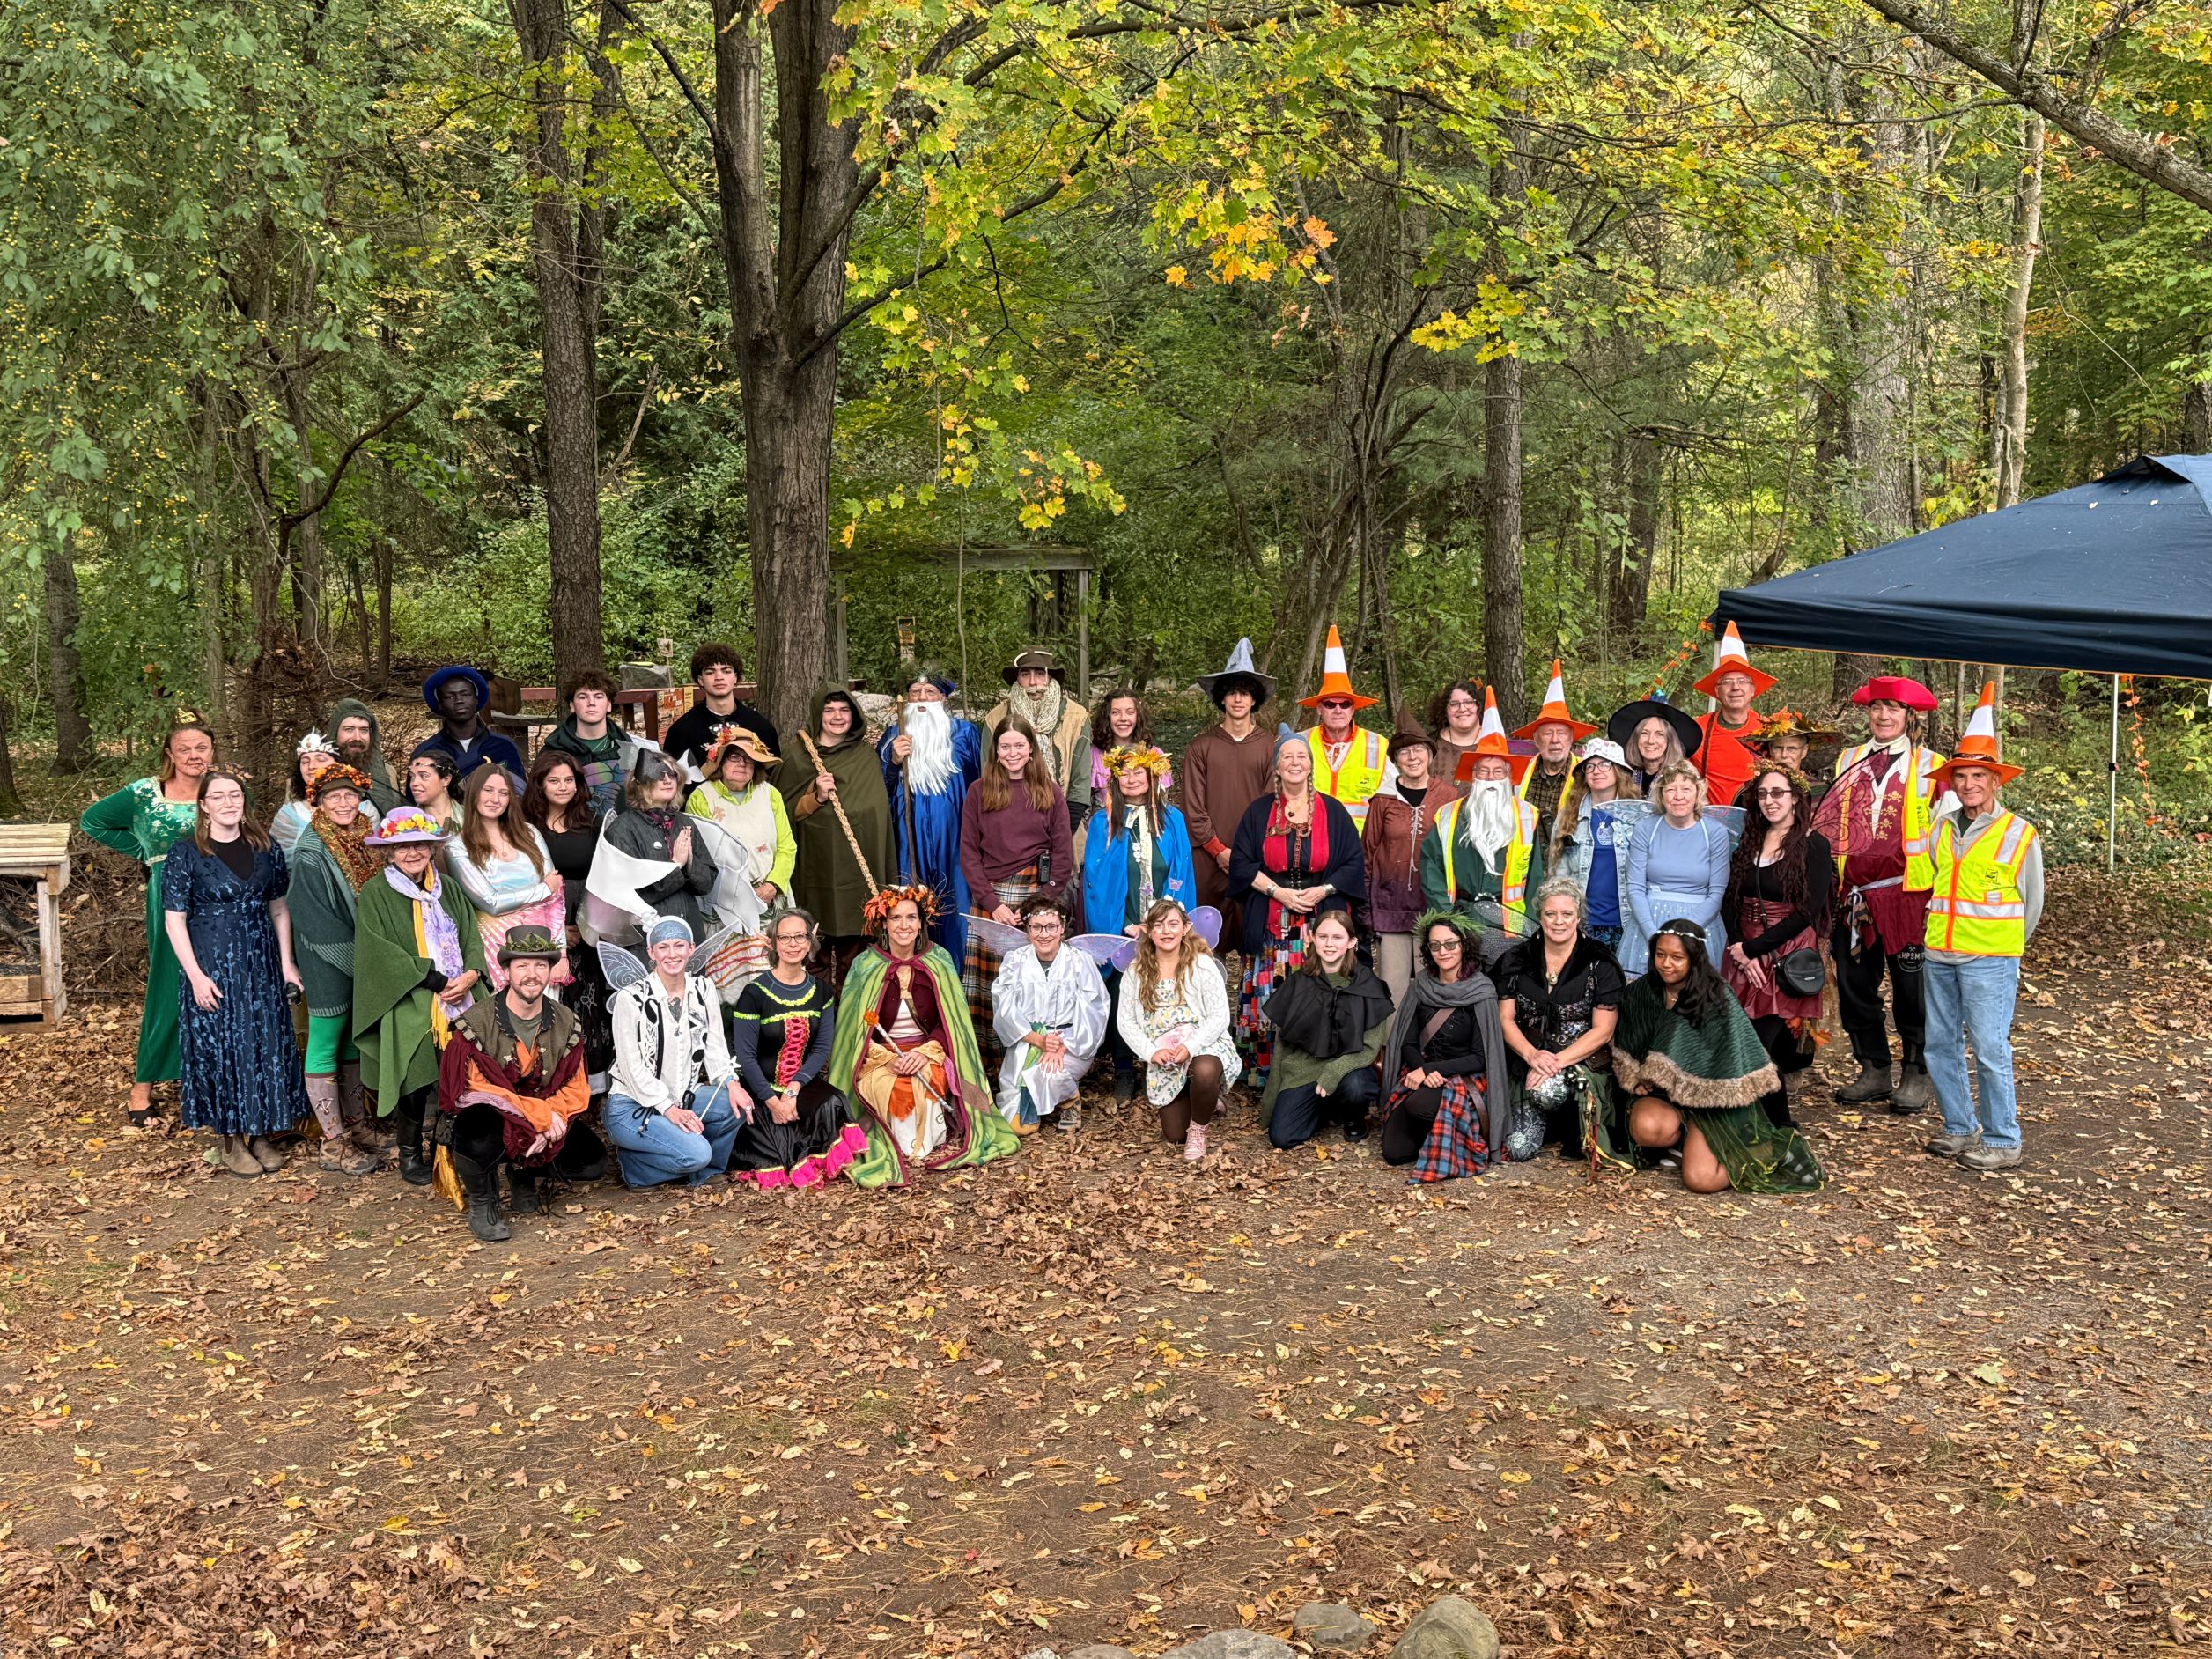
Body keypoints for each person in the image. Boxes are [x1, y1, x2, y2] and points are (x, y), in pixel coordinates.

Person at [160, 769, 313, 1178]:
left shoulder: (265, 847)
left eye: (235, 795)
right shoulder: (185, 853)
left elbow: (279, 908)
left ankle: (260, 1132)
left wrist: (287, 963)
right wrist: (195, 976)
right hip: (212, 964)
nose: (229, 802)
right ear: (204, 805)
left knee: (263, 1043)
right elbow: (174, 920)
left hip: (261, 961)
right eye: (219, 796)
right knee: (222, 1047)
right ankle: (230, 1140)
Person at [1921, 683, 2042, 1172]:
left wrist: (2003, 943)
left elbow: (2032, 903)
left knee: (1990, 1049)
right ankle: (1958, 1127)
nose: (1969, 784)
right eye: (1961, 776)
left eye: (1978, 776)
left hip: (1989, 959)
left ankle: (2003, 1139)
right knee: (1939, 1045)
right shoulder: (1941, 827)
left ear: (1995, 782)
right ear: (1952, 782)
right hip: (1939, 953)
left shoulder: (2019, 832)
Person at [826, 886, 1020, 1185]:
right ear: (884, 924)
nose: (903, 925)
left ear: (921, 923)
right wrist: (887, 1059)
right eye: (895, 918)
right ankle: (896, 1142)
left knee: (923, 1080)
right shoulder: (865, 966)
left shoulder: (938, 960)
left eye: (911, 918)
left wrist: (923, 1052)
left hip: (928, 1051)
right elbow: (855, 1032)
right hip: (880, 1055)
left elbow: (952, 1022)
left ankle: (922, 1144)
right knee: (891, 1085)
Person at [1615, 919, 1823, 1193]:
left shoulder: (1717, 994)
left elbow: (1742, 1056)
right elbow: (1629, 1044)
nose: (1666, 964)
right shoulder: (1641, 992)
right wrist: (1637, 1078)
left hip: (1715, 1101)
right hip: (1666, 1096)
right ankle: (1684, 1143)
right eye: (1660, 954)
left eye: (1677, 957)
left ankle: (1765, 1152)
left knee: (1701, 1181)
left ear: (1694, 958)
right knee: (1648, 1128)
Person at [80, 706, 216, 1126]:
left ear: (212, 752)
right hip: (171, 898)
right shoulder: (144, 793)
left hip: (217, 898)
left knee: (216, 984)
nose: (194, 755)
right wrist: (146, 852)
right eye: (184, 749)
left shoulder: (222, 789)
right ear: (170, 754)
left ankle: (208, 1077)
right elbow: (93, 821)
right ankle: (143, 1086)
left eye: (201, 748)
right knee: (169, 983)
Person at [1826, 674, 1950, 1114]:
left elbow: (1948, 836)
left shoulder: (1932, 766)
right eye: (1876, 707)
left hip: (1908, 896)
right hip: (1855, 895)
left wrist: (1941, 895)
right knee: (1855, 982)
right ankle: (1874, 1067)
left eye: (1893, 708)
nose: (1883, 715)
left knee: (1911, 986)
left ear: (1909, 716)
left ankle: (1916, 1069)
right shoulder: (1848, 759)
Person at [435, 925, 603, 1239]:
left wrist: (554, 1116)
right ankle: (483, 1203)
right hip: (493, 1119)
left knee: (593, 1162)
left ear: (550, 971)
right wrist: (541, 1118)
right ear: (506, 971)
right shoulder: (476, 1023)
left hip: (544, 1112)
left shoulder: (566, 1021)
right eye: (522, 965)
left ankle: (523, 1175)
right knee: (475, 1129)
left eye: (540, 965)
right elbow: (476, 1091)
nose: (532, 974)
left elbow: (576, 1086)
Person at [352, 807, 486, 1186]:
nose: (412, 853)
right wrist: (433, 979)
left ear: (431, 848)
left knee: (464, 1069)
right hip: (412, 993)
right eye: (402, 846)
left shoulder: (449, 888)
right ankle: (410, 1150)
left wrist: (472, 973)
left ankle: (451, 1144)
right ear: (388, 852)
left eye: (420, 845)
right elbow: (378, 951)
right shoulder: (376, 892)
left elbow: (470, 935)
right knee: (415, 1069)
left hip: (461, 990)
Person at [1229, 732, 1366, 1088]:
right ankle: (1265, 1073)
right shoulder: (1258, 812)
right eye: (1286, 757)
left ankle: (1314, 1071)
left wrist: (1324, 889)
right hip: (1272, 918)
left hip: (1319, 917)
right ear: (1277, 767)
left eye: (1301, 756)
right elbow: (1241, 864)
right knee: (1270, 994)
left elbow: (1353, 862)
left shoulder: (1333, 811)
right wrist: (1279, 893)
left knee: (1318, 991)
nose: (1294, 762)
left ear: (1310, 764)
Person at [287, 762, 389, 1168]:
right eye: (334, 797)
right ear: (319, 802)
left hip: (363, 954)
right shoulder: (311, 851)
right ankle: (333, 1140)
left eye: (351, 795)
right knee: (326, 1040)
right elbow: (314, 918)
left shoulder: (366, 837)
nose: (344, 803)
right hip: (327, 957)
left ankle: (357, 1124)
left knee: (351, 1039)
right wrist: (363, 961)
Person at [1721, 765, 1833, 1126]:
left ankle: (1780, 1126)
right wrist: (1740, 947)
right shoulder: (1750, 840)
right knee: (1743, 1040)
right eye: (1763, 794)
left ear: (1796, 798)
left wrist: (1755, 950)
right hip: (1744, 950)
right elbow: (1729, 899)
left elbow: (1807, 911)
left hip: (1785, 949)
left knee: (1760, 1044)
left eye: (1778, 793)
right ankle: (1765, 1122)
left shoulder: (1814, 845)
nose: (1769, 801)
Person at [603, 914, 746, 1191]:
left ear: (691, 949)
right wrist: (668, 1109)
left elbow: (715, 1047)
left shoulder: (703, 989)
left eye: (679, 945)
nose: (672, 954)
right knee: (697, 1153)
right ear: (651, 953)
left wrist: (732, 1082)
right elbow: (631, 1068)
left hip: (683, 1097)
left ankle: (702, 1173)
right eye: (663, 947)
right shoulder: (630, 998)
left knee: (734, 1104)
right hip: (632, 1107)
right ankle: (635, 1167)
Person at [958, 717, 1073, 1052]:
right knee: (991, 984)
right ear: (995, 751)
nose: (1012, 753)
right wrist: (992, 904)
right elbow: (969, 853)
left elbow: (1063, 854)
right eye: (1005, 746)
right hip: (991, 897)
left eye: (1019, 745)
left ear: (1031, 749)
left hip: (1035, 896)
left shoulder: (1049, 791)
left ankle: (1030, 1056)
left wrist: (1037, 907)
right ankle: (986, 1059)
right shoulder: (978, 791)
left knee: (1029, 981)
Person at [730, 907, 866, 1186]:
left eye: (799, 936)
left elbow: (821, 1048)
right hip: (760, 1088)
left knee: (834, 1101)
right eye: (784, 937)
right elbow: (746, 1056)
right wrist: (772, 1101)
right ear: (773, 943)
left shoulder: (821, 991)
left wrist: (793, 1089)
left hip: (800, 1086)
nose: (792, 944)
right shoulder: (754, 993)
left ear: (809, 942)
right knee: (767, 1132)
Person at [1494, 881, 1628, 1163]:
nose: (1558, 921)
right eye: (1550, 914)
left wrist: (1553, 1063)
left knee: (1548, 1090)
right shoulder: (1516, 959)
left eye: (1567, 914)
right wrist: (1532, 1056)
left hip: (1578, 1060)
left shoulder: (1599, 962)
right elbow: (1504, 1018)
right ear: (1540, 916)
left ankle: (1572, 1121)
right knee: (1518, 1149)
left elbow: (1604, 1030)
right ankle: (1550, 1124)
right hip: (1526, 1058)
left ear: (1578, 917)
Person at [1378, 911, 1516, 1178]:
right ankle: (1437, 1135)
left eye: (1451, 944)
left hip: (1465, 1076)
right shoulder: (1421, 985)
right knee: (1394, 1154)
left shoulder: (1481, 990)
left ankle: (1448, 1134)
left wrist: (1431, 1070)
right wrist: (1421, 1069)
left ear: (1464, 946)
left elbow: (1480, 1058)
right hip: (1422, 1070)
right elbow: (1407, 1042)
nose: (1443, 952)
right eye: (1435, 945)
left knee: (1418, 1106)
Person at [782, 686, 896, 990]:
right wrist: (816, 796)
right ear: (817, 715)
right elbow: (782, 815)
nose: (837, 716)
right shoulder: (797, 757)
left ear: (854, 715)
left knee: (855, 952)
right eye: (829, 710)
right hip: (815, 866)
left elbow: (878, 813)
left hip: (858, 870)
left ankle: (853, 1011)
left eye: (844, 710)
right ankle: (814, 1010)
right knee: (814, 947)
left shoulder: (865, 756)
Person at [1117, 898, 1242, 1161]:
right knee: (1174, 1134)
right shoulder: (1136, 971)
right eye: (1158, 925)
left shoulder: (1201, 964)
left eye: (1173, 924)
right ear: (1149, 931)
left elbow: (1219, 1016)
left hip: (1202, 1041)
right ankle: (1206, 1099)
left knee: (1204, 1071)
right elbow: (1126, 1021)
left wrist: (1190, 1046)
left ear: (1185, 928)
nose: (1166, 931)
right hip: (1165, 1052)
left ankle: (1199, 1129)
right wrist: (1151, 1052)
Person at [1259, 909, 1394, 1149]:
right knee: (1282, 1137)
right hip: (1305, 1068)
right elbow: (1283, 1046)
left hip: (1349, 1067)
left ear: (1351, 942)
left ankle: (1353, 1118)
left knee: (1356, 1087)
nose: (1329, 944)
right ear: (1312, 938)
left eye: (1337, 937)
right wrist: (1270, 1104)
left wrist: (1334, 1072)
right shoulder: (1299, 982)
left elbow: (1370, 1048)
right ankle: (1325, 1109)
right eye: (1323, 937)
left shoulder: (1368, 984)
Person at [523, 750, 616, 1094]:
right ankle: (555, 1084)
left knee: (591, 1000)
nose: (562, 787)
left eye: (569, 780)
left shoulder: (592, 823)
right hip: (544, 920)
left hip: (590, 922)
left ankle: (594, 1084)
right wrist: (557, 931)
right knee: (555, 1002)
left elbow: (607, 877)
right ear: (540, 784)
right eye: (554, 780)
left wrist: (588, 924)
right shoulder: (525, 827)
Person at [1419, 689, 1542, 934]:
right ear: (1473, 775)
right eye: (1484, 771)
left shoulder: (1528, 816)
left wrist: (1529, 925)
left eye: (1498, 772)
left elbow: (1535, 878)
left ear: (1509, 776)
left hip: (1511, 924)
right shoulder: (1448, 816)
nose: (1491, 778)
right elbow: (1431, 870)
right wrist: (1448, 919)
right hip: (1461, 920)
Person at [880, 670, 983, 959]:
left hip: (955, 837)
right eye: (915, 692)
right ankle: (910, 968)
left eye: (930, 693)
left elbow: (980, 784)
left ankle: (956, 971)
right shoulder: (893, 735)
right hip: (908, 837)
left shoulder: (965, 733)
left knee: (957, 905)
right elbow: (878, 790)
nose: (922, 698)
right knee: (910, 903)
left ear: (943, 699)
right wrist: (893, 761)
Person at [685, 725, 794, 991]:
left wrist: (772, 885)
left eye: (749, 759)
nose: (742, 764)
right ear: (721, 761)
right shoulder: (702, 797)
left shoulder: (770, 794)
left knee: (772, 973)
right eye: (734, 757)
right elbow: (698, 854)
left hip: (769, 899)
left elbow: (787, 847)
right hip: (724, 904)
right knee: (728, 980)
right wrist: (735, 893)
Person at [1182, 639, 1278, 941]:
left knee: (1255, 938)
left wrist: (1244, 856)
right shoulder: (1201, 746)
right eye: (1232, 692)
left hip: (1255, 858)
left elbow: (1272, 804)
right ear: (1222, 698)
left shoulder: (1270, 747)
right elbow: (1193, 807)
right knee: (1206, 943)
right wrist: (1218, 850)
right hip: (1209, 860)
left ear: (1254, 699)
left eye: (1245, 693)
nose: (1238, 699)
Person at [990, 895, 1110, 1133]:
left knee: (1048, 1075)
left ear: (1062, 927)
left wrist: (1062, 1045)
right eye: (1036, 927)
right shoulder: (1015, 960)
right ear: (1027, 929)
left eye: (1051, 926)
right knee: (1019, 1126)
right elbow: (1004, 1006)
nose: (1044, 934)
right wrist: (1038, 1040)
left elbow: (1095, 1009)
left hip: (1070, 1042)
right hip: (1029, 1039)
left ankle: (1069, 1100)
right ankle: (1033, 1103)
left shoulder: (1079, 961)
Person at [447, 761, 570, 991]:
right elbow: (491, 903)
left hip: (542, 945)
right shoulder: (457, 846)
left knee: (547, 1011)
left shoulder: (530, 833)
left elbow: (556, 896)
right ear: (473, 793)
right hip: (496, 948)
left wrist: (560, 952)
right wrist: (543, 889)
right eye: (488, 790)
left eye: (503, 793)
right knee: (503, 1010)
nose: (495, 799)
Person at [1361, 728, 1457, 1002]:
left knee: (1435, 986)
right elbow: (1367, 853)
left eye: (1418, 750)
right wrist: (1366, 909)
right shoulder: (1383, 800)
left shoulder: (1448, 797)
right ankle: (1394, 1033)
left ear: (1430, 755)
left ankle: (1432, 1033)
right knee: (1393, 989)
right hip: (1390, 905)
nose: (1412, 757)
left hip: (1434, 906)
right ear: (1395, 760)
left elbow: (1455, 853)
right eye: (1404, 752)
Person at [594, 748, 719, 938]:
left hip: (689, 932)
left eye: (672, 774)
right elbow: (629, 894)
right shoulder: (622, 829)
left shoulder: (684, 822)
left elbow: (706, 884)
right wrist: (675, 865)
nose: (668, 780)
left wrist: (691, 864)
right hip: (648, 936)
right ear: (640, 783)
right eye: (659, 775)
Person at [1547, 737, 1647, 967]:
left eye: (1604, 764)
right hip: (1581, 923)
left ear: (1619, 771)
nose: (1596, 771)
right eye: (1590, 766)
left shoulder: (1639, 816)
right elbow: (1557, 872)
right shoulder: (1569, 816)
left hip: (1627, 921)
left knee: (1623, 984)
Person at [1627, 760, 1732, 956]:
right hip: (1650, 923)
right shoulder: (1645, 828)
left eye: (1686, 789)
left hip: (1699, 925)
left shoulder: (1715, 832)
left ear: (1698, 793)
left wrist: (1683, 932)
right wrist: (1652, 934)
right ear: (1661, 795)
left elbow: (1717, 893)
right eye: (1670, 790)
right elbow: (1635, 887)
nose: (1678, 796)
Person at [1299, 624, 1395, 828]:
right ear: (1319, 709)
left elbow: (1394, 799)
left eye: (1344, 704)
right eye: (1329, 704)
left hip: (1359, 842)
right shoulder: (1299, 742)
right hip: (1309, 839)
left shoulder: (1376, 744)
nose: (1338, 710)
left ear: (1353, 709)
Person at [985, 648, 1093, 823]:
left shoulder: (1076, 717)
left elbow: (1081, 778)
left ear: (1050, 677)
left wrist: (1067, 825)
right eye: (1025, 674)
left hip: (1064, 815)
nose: (1033, 682)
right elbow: (989, 772)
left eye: (1040, 674)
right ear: (1017, 678)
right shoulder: (996, 718)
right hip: (1008, 817)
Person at [542, 668, 662, 815]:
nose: (591, 703)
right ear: (572, 705)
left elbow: (654, 799)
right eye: (583, 697)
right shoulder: (551, 752)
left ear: (609, 704)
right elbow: (537, 802)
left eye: (598, 696)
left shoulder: (635, 750)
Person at [1512, 660, 1598, 848]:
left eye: (1561, 733)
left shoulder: (1588, 774)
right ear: (1536, 740)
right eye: (1547, 734)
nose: (1555, 740)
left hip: (1569, 861)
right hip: (1526, 860)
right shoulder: (1519, 774)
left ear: (1571, 739)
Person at [1688, 623, 1774, 809]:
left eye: (1742, 681)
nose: (1735, 688)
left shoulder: (1770, 731)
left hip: (1758, 821)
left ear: (1753, 690)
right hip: (1712, 822)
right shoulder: (1697, 730)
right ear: (1717, 691)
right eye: (1727, 682)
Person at [662, 642, 779, 771]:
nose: (719, 677)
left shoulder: (761, 727)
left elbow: (772, 775)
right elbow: (670, 777)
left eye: (726, 671)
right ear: (700, 680)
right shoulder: (681, 731)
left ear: (735, 677)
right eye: (710, 672)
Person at [412, 665, 524, 782]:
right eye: (450, 697)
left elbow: (519, 790)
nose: (459, 700)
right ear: (440, 704)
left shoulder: (504, 746)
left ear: (476, 699)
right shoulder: (426, 753)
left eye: (465, 694)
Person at [1606, 695, 1702, 797]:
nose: (1650, 741)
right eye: (1644, 733)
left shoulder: (1684, 776)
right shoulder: (1623, 774)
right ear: (1636, 739)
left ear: (1670, 741)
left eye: (1659, 734)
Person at [327, 697, 403, 817]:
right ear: (335, 733)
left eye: (364, 730)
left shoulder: (389, 773)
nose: (357, 737)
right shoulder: (315, 774)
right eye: (349, 729)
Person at [1089, 690, 1172, 800]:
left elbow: (1162, 801)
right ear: (1107, 717)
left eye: (1130, 712)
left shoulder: (1156, 755)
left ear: (1138, 716)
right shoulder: (1092, 756)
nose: (1123, 718)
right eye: (1116, 713)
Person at [272, 730, 339, 854]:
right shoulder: (288, 816)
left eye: (321, 759)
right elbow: (277, 860)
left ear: (339, 765)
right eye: (305, 761)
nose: (311, 766)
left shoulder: (364, 811)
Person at [1428, 680, 1487, 793]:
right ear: (1445, 709)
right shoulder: (1429, 745)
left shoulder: (1496, 742)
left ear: (1479, 706)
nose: (1462, 709)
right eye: (1454, 704)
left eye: (1469, 702)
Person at [1745, 707, 1833, 778]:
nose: (1784, 755)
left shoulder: (1818, 790)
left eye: (1792, 748)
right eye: (1778, 748)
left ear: (1804, 751)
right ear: (1771, 749)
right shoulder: (1757, 788)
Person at [406, 749, 464, 836]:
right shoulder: (404, 823)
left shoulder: (472, 818)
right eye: (412, 776)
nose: (414, 783)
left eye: (424, 776)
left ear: (446, 780)